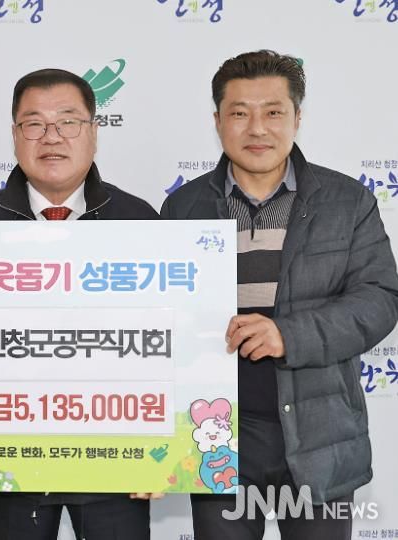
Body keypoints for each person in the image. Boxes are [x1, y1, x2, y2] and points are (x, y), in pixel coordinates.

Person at [161, 50, 398, 539]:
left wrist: (288, 335)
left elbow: (379, 299)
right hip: (217, 439)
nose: (257, 129)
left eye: (273, 112)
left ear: (297, 118)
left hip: (319, 437)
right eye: (239, 113)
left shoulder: (347, 201)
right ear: (217, 121)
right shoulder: (183, 207)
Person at [0, 68, 159, 539]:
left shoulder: (139, 219)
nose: (51, 137)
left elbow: (165, 343)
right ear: (15, 135)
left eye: (68, 122)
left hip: (117, 461)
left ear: (93, 132)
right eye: (34, 124)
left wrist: (163, 454)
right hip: (12, 459)